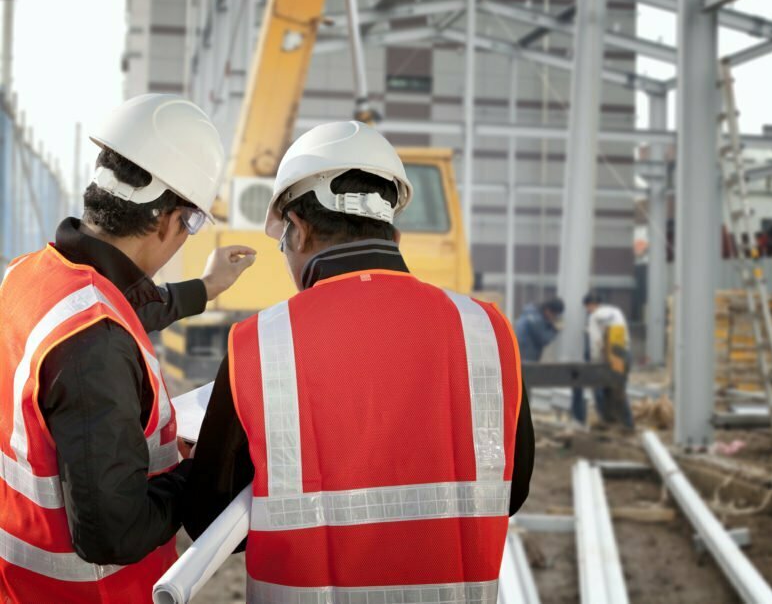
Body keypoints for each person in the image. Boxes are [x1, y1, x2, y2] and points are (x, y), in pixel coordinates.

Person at [185, 121, 534, 603]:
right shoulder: (488, 332)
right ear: (391, 225)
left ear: (299, 230)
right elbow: (509, 493)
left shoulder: (258, 343)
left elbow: (209, 516)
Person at [0, 94, 255, 603]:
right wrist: (196, 471)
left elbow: (120, 306)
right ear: (168, 220)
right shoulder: (94, 343)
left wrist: (204, 288)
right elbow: (111, 533)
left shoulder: (28, 276)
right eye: (192, 223)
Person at [571, 292, 635, 429]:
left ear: (590, 305)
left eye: (587, 308)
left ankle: (606, 422)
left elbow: (596, 343)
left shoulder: (594, 317)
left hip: (606, 359)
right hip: (623, 355)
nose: (587, 311)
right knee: (619, 389)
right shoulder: (616, 311)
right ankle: (628, 424)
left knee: (599, 389)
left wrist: (595, 364)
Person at [514, 297, 564, 362]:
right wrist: (555, 329)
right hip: (526, 357)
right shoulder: (536, 319)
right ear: (548, 310)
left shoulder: (532, 313)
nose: (554, 318)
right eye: (554, 315)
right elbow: (543, 339)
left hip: (523, 355)